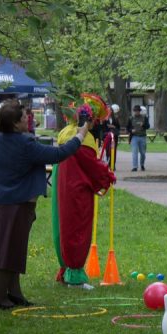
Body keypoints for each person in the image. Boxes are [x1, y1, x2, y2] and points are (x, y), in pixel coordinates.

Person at [0, 99, 90, 309]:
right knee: (8, 250)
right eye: (23, 118)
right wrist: (80, 135)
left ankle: (15, 293)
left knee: (12, 248)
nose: (27, 119)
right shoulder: (25, 143)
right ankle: (0, 296)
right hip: (17, 204)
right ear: (14, 123)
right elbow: (58, 155)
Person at [52, 104, 117, 288]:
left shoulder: (65, 134)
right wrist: (108, 175)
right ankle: (74, 276)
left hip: (63, 189)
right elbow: (91, 166)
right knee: (77, 228)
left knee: (63, 226)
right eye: (93, 119)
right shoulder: (84, 139)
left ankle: (66, 269)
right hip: (77, 192)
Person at [127, 105, 149, 171]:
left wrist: (144, 125)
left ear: (140, 111)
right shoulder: (131, 118)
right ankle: (135, 166)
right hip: (134, 137)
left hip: (142, 137)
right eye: (135, 111)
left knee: (143, 153)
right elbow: (128, 128)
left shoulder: (144, 118)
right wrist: (131, 130)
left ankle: (142, 165)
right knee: (134, 152)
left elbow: (148, 126)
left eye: (138, 111)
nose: (136, 112)